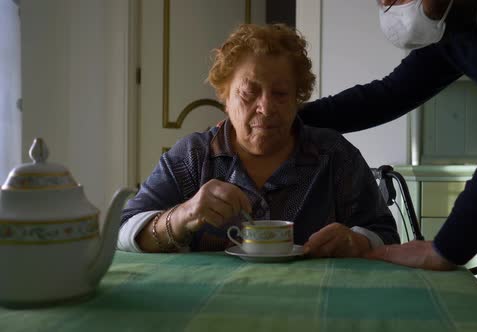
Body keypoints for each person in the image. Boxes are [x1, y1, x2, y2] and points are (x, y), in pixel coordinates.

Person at [298, 0, 477, 288]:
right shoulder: (453, 34)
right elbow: (385, 96)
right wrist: (284, 115)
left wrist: (448, 246)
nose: (387, 4)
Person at [117, 23, 400, 256]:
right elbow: (123, 230)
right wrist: (182, 215)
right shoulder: (193, 156)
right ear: (225, 97)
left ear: (298, 98)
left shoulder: (335, 155)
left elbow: (386, 234)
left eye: (280, 94)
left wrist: (357, 241)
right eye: (248, 93)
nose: (265, 108)